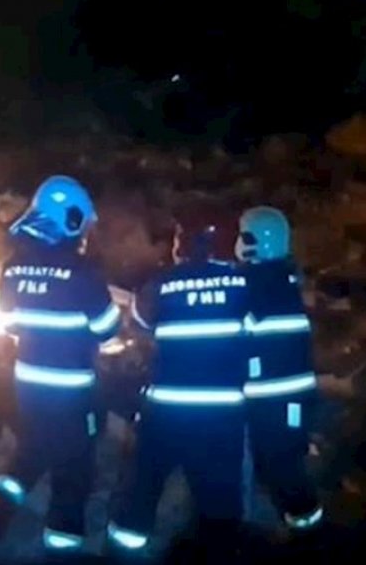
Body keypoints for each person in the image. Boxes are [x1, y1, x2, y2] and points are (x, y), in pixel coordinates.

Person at [0, 175, 122, 553]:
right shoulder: (83, 272)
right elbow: (107, 330)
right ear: (71, 220)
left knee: (32, 450)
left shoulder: (13, 267)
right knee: (74, 469)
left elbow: (10, 323)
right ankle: (62, 546)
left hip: (27, 385)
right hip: (72, 391)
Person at [108, 207, 250, 555]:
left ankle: (125, 549)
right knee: (219, 493)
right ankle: (217, 550)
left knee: (143, 485)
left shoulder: (161, 283)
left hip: (166, 411)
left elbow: (138, 328)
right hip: (223, 413)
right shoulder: (242, 282)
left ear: (181, 245)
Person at [236, 206, 323, 532]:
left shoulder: (263, 281)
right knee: (272, 461)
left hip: (281, 396)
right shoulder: (279, 277)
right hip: (276, 395)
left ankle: (310, 528)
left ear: (253, 241)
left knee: (284, 465)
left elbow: (237, 323)